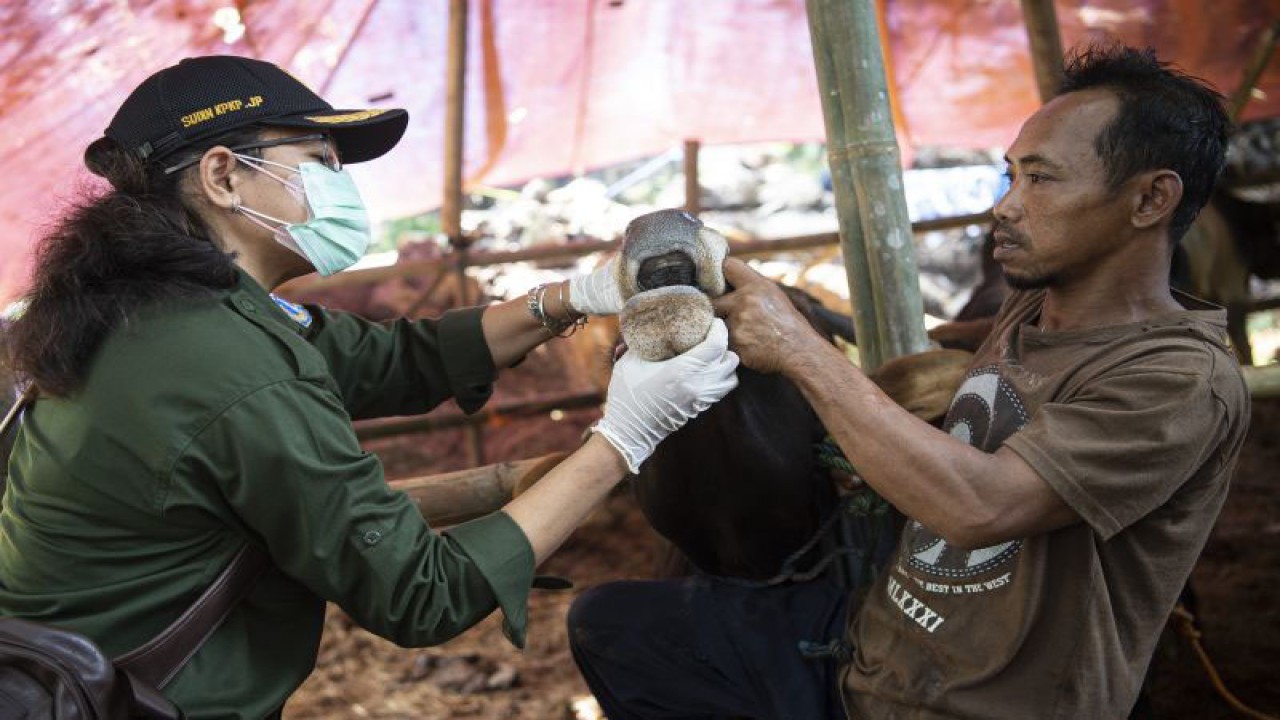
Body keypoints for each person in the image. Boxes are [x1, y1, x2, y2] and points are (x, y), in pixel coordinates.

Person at [0, 55, 739, 718]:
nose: (341, 187)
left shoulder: (157, 309)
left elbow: (399, 359)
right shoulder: (225, 367)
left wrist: (575, 296)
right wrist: (622, 438)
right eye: (320, 160)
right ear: (224, 176)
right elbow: (421, 593)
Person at [568, 44, 1250, 719]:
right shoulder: (1037, 303)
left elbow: (980, 508)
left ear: (1151, 198)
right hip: (873, 650)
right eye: (1010, 176)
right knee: (614, 626)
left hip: (977, 703)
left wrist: (800, 347)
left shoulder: (1178, 381)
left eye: (1041, 180)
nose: (1007, 207)